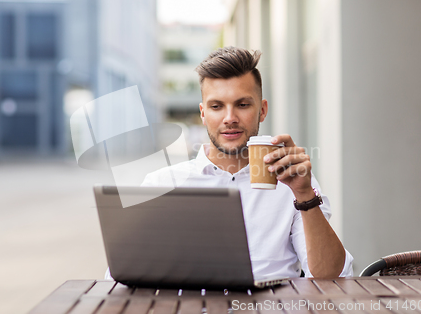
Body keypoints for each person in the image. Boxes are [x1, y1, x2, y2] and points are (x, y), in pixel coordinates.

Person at [141, 46, 353, 279]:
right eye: (216, 106)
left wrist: (304, 195)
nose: (230, 118)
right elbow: (122, 278)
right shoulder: (161, 184)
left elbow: (334, 278)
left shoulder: (293, 181)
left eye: (242, 105)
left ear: (262, 110)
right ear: (203, 114)